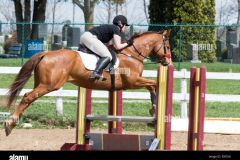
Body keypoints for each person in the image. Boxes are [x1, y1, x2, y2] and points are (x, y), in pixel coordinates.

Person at [80, 15, 134, 81]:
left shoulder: (111, 29)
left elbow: (109, 46)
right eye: (125, 25)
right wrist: (127, 43)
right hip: (90, 37)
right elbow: (118, 46)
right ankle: (95, 72)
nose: (125, 27)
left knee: (105, 53)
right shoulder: (116, 29)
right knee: (108, 56)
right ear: (121, 24)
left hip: (85, 37)